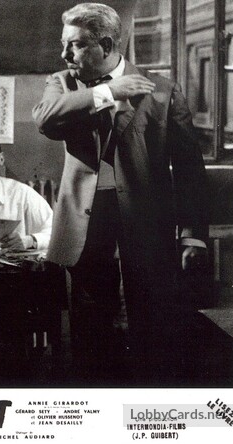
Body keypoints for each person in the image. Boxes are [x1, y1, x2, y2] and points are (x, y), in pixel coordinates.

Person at [32, 3, 208, 383]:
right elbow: (45, 118)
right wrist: (107, 92)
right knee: (90, 336)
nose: (65, 54)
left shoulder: (161, 91)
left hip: (146, 227)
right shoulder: (62, 83)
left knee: (151, 332)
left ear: (107, 44)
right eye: (64, 44)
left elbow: (190, 169)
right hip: (85, 229)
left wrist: (193, 232)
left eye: (75, 45)